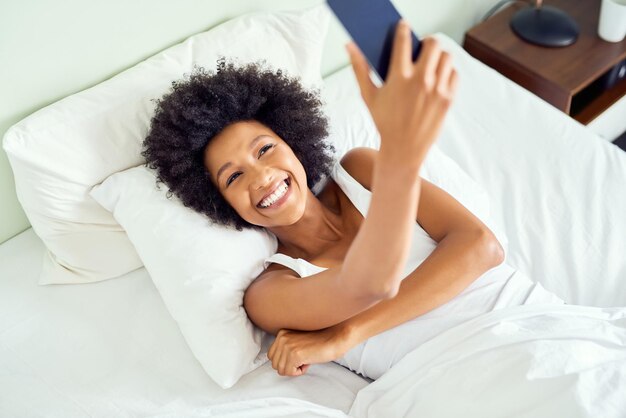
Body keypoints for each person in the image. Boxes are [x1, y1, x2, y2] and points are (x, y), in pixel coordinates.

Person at [142, 20, 564, 380]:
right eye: (233, 176)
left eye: (265, 149)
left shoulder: (361, 169)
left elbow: (482, 247)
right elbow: (370, 284)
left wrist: (346, 335)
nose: (262, 176)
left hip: (540, 324)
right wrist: (402, 151)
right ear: (219, 202)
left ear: (293, 141)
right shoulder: (269, 292)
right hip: (452, 375)